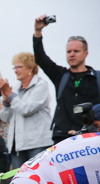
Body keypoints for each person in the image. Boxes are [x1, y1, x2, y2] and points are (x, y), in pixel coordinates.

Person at [33, 15, 100, 143]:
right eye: (69, 51)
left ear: (86, 53)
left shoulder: (97, 78)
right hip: (62, 136)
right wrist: (38, 32)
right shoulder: (61, 75)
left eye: (76, 51)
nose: (72, 54)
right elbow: (41, 59)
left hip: (89, 138)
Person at [0, 52, 53, 169]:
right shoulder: (15, 88)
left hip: (37, 144)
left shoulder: (41, 85)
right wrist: (6, 102)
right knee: (20, 181)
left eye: (19, 67)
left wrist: (10, 95)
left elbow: (26, 109)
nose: (15, 70)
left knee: (40, 178)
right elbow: (5, 118)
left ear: (31, 68)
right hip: (17, 146)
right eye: (14, 67)